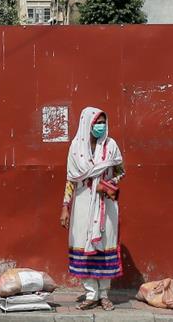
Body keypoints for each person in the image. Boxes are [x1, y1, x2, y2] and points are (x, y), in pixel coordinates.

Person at [60, 107, 125, 311]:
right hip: (82, 202)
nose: (101, 126)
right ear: (87, 123)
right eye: (97, 122)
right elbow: (71, 179)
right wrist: (65, 207)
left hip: (105, 203)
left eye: (103, 122)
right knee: (82, 243)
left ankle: (104, 295)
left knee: (105, 244)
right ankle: (91, 294)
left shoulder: (111, 145)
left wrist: (106, 184)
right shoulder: (76, 147)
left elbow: (121, 171)